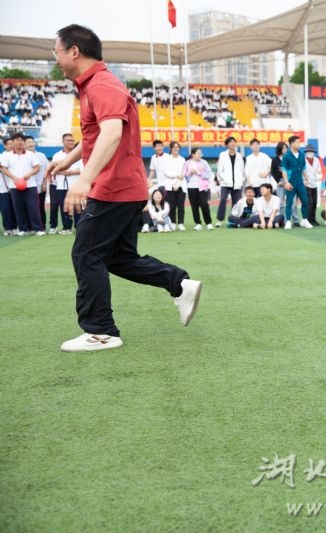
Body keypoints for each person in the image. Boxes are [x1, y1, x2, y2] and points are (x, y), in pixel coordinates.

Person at [49, 24, 201, 352]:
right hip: (125, 188)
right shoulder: (93, 86)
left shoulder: (102, 84)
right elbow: (95, 134)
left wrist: (84, 179)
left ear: (74, 51)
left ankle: (100, 331)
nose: (55, 59)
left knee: (86, 253)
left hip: (113, 188)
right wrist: (69, 160)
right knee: (118, 257)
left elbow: (112, 133)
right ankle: (178, 283)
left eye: (56, 52)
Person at [0, 132, 44, 236]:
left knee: (33, 207)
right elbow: (3, 168)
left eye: (21, 140)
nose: (19, 142)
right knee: (18, 208)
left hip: (30, 185)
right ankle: (23, 229)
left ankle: (38, 229)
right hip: (14, 185)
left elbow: (37, 168)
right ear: (13, 142)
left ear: (24, 142)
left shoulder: (30, 154)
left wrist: (29, 174)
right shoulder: (7, 155)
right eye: (17, 140)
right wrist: (14, 178)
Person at [49, 133, 82, 234]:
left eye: (72, 140)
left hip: (75, 185)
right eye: (68, 140)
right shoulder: (57, 155)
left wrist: (72, 172)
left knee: (77, 207)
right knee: (64, 207)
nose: (71, 142)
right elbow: (53, 168)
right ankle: (66, 228)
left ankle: (79, 227)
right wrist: (61, 171)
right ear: (63, 142)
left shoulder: (78, 154)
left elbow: (83, 168)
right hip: (61, 185)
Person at [281, 135, 313, 230]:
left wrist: (306, 178)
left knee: (305, 201)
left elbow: (303, 168)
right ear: (291, 143)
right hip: (290, 182)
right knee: (289, 202)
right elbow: (284, 170)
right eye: (297, 142)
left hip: (300, 183)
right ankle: (288, 221)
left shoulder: (302, 155)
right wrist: (286, 183)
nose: (299, 144)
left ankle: (304, 220)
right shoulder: (286, 156)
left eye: (299, 142)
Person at [215, 136, 245, 227]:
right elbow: (220, 168)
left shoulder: (239, 155)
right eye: (230, 142)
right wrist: (222, 178)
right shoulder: (222, 155)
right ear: (227, 145)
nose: (233, 143)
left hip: (237, 183)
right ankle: (219, 220)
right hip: (226, 182)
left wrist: (241, 180)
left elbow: (242, 169)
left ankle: (233, 220)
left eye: (234, 142)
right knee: (223, 199)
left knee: (236, 202)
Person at [183, 147, 214, 230]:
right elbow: (185, 176)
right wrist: (190, 172)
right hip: (191, 187)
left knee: (204, 205)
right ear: (193, 154)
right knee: (194, 206)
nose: (200, 155)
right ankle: (198, 223)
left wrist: (198, 173)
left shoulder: (204, 162)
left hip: (202, 187)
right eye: (198, 153)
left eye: (201, 153)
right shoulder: (187, 163)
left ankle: (208, 223)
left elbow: (208, 174)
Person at [25, 136, 49, 228]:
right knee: (28, 207)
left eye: (32, 142)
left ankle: (42, 227)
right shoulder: (22, 156)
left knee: (40, 207)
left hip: (40, 186)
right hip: (26, 187)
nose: (31, 144)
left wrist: (44, 183)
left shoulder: (41, 156)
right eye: (28, 142)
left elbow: (47, 170)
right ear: (24, 144)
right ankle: (29, 227)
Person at [163, 141, 186, 231]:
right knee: (171, 206)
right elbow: (166, 172)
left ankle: (180, 223)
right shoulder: (166, 159)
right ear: (170, 148)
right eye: (174, 147)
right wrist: (176, 176)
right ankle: (172, 222)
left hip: (181, 185)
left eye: (177, 147)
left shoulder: (182, 159)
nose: (176, 149)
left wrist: (177, 184)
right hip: (170, 185)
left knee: (181, 205)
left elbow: (182, 174)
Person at [0, 137, 19, 236]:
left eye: (12, 143)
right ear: (5, 145)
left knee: (8, 209)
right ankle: (9, 228)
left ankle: (12, 227)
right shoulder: (3, 155)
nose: (12, 146)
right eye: (9, 144)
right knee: (6, 209)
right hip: (5, 188)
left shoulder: (4, 157)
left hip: (7, 188)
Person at [302, 144, 321, 226]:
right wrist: (304, 180)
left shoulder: (316, 160)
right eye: (308, 151)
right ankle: (307, 219)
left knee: (315, 203)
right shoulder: (303, 160)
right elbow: (301, 171)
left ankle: (313, 219)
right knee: (310, 202)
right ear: (306, 152)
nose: (310, 153)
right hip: (306, 184)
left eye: (311, 151)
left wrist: (318, 175)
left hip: (314, 184)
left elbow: (319, 170)